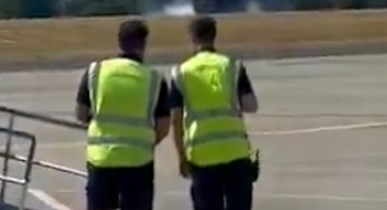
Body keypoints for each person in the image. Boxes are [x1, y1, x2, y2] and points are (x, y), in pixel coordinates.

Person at [75, 19, 171, 210]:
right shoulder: (154, 79)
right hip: (138, 161)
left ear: (119, 42)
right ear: (143, 45)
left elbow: (81, 113)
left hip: (101, 160)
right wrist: (144, 142)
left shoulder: (95, 71)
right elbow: (163, 127)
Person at [169, 16, 260, 210]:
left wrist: (181, 157)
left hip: (202, 156)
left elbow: (175, 120)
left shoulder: (181, 72)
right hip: (236, 153)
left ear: (193, 38)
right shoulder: (232, 67)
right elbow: (251, 105)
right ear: (214, 36)